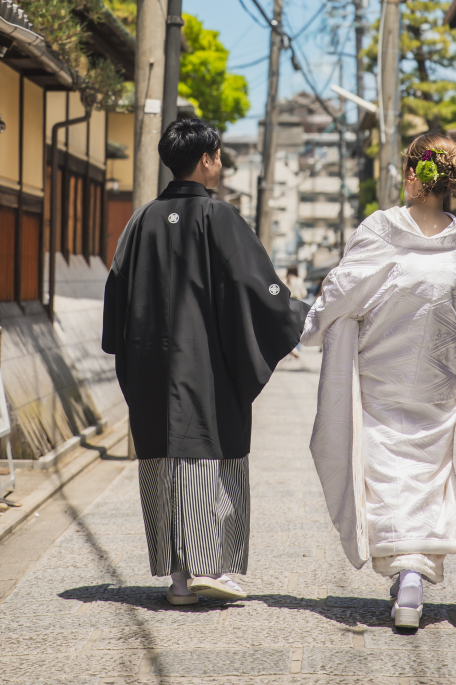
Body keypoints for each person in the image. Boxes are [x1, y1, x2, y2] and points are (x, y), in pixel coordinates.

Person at [301, 133, 456, 630]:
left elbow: (341, 292)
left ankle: (405, 573)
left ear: (412, 174)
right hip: (439, 385)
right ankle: (415, 574)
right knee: (431, 475)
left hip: (380, 380)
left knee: (386, 471)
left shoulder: (381, 229)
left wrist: (310, 326)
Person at [102, 117, 308, 607]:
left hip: (152, 369)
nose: (220, 164)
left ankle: (178, 577)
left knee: (165, 462)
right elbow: (259, 289)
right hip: (210, 370)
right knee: (208, 460)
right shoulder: (220, 218)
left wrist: (130, 349)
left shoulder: (141, 221)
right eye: (218, 156)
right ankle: (210, 567)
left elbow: (116, 295)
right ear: (207, 159)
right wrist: (299, 313)